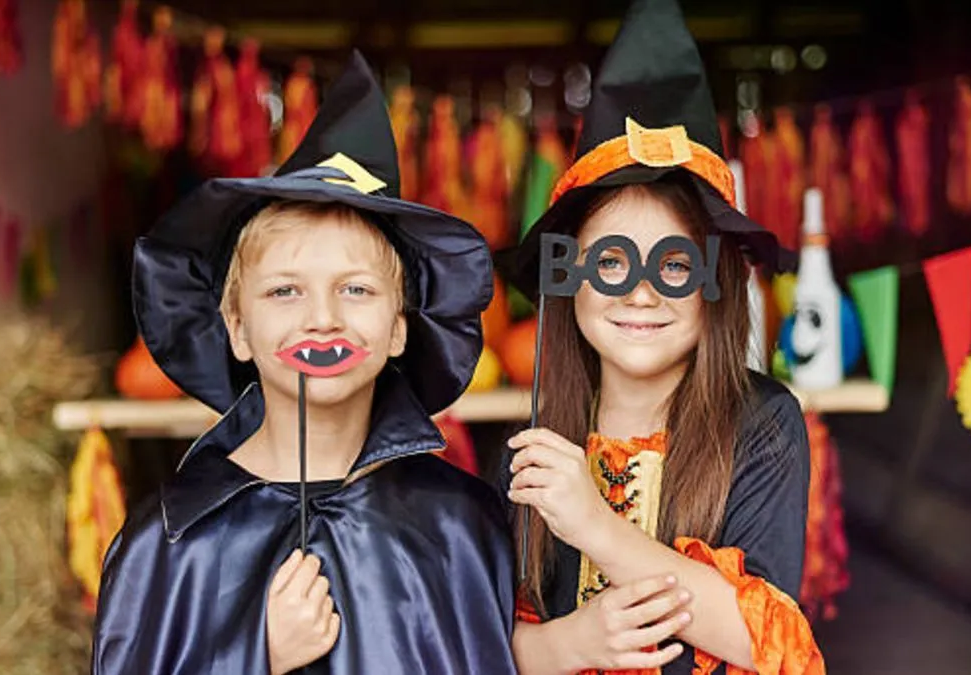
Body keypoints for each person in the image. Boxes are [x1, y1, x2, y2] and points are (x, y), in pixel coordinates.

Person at [92, 50, 517, 675]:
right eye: (285, 291)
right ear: (237, 328)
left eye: (356, 289)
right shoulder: (170, 538)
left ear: (399, 327)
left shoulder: (460, 524)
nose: (322, 318)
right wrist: (253, 657)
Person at [495, 1, 826, 673]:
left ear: (715, 282)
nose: (640, 293)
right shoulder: (542, 437)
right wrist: (570, 643)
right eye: (610, 262)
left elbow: (766, 643)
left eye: (674, 266)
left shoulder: (762, 425)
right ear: (568, 275)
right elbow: (492, 642)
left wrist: (594, 524)